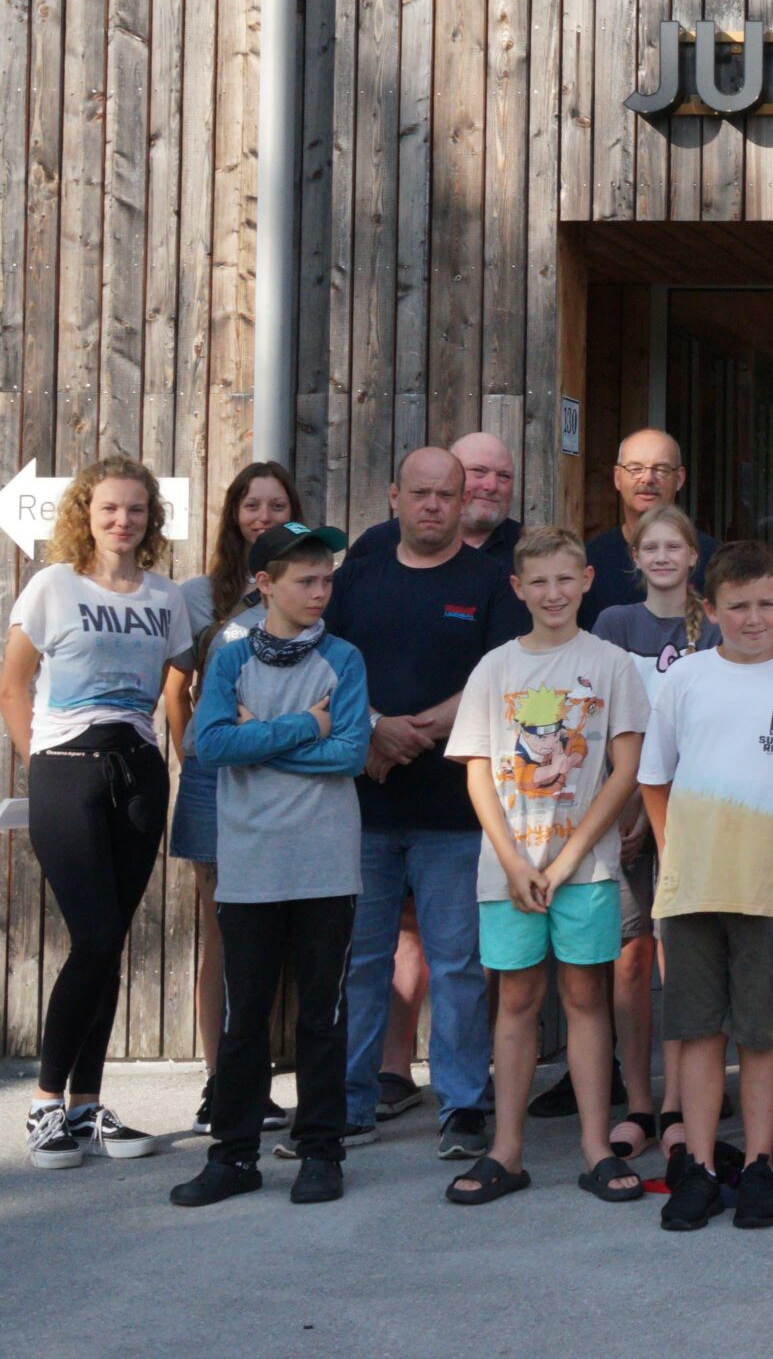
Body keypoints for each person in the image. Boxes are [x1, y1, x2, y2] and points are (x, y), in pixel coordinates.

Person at [324, 447, 528, 1160]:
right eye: (421, 493)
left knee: (458, 964)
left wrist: (410, 733)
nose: (434, 505)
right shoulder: (357, 576)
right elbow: (325, 666)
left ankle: (463, 1105)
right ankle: (348, 1103)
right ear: (394, 497)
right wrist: (372, 724)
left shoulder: (492, 582)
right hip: (363, 806)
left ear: (461, 500)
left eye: (447, 494)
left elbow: (498, 677)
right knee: (361, 960)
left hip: (455, 810)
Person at [637, 540, 773, 1232]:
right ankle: (698, 1166)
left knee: (761, 1032)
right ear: (709, 608)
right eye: (737, 606)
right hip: (693, 888)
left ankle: (759, 1164)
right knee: (698, 1031)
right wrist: (673, 854)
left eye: (765, 604)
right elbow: (654, 777)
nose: (753, 618)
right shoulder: (686, 679)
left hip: (770, 887)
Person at [168, 521, 375, 1207]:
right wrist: (306, 725)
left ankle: (321, 1152)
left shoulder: (343, 658)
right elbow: (211, 745)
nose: (321, 592)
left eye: (327, 580)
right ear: (264, 584)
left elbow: (350, 754)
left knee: (322, 1017)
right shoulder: (230, 657)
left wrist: (259, 738)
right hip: (250, 864)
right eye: (306, 581)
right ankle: (232, 1156)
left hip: (326, 864)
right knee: (245, 1018)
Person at [444, 526, 651, 1207]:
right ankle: (506, 1149)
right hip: (508, 871)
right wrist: (513, 861)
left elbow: (624, 771)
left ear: (587, 580)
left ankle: (596, 1147)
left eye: (565, 579)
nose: (553, 592)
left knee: (587, 998)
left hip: (584, 870)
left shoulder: (612, 664)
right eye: (539, 581)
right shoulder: (495, 668)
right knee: (516, 999)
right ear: (518, 588)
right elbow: (479, 771)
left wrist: (566, 859)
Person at [1, 457, 191, 1169]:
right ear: (85, 512)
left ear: (151, 518)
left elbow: (173, 686)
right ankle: (44, 1103)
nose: (123, 520)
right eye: (109, 507)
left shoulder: (166, 596)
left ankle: (86, 1107)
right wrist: (42, 763)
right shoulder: (54, 585)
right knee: (96, 935)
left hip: (137, 772)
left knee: (111, 941)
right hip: (67, 770)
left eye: (136, 509)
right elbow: (13, 685)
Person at [170, 460, 303, 1137]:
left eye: (277, 506)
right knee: (223, 932)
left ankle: (258, 1078)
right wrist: (194, 754)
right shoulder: (199, 595)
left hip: (288, 774)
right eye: (252, 505)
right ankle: (221, 1082)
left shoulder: (311, 588)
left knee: (272, 928)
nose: (264, 517)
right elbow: (176, 693)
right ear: (234, 514)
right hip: (215, 780)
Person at [590, 503, 721, 1161]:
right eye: (652, 548)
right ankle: (638, 1102)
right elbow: (604, 724)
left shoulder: (714, 627)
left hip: (686, 816)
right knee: (631, 957)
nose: (664, 557)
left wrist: (654, 813)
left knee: (679, 958)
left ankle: (676, 1104)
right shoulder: (615, 623)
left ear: (694, 555)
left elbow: (710, 731)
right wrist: (626, 811)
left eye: (676, 546)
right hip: (620, 813)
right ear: (636, 557)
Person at [582, 429, 718, 624]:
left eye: (661, 469)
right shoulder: (588, 560)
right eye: (635, 469)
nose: (647, 478)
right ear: (617, 477)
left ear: (679, 478)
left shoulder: (715, 561)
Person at [348, 431, 521, 565]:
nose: (491, 486)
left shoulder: (528, 549)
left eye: (504, 476)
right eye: (478, 471)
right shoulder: (377, 543)